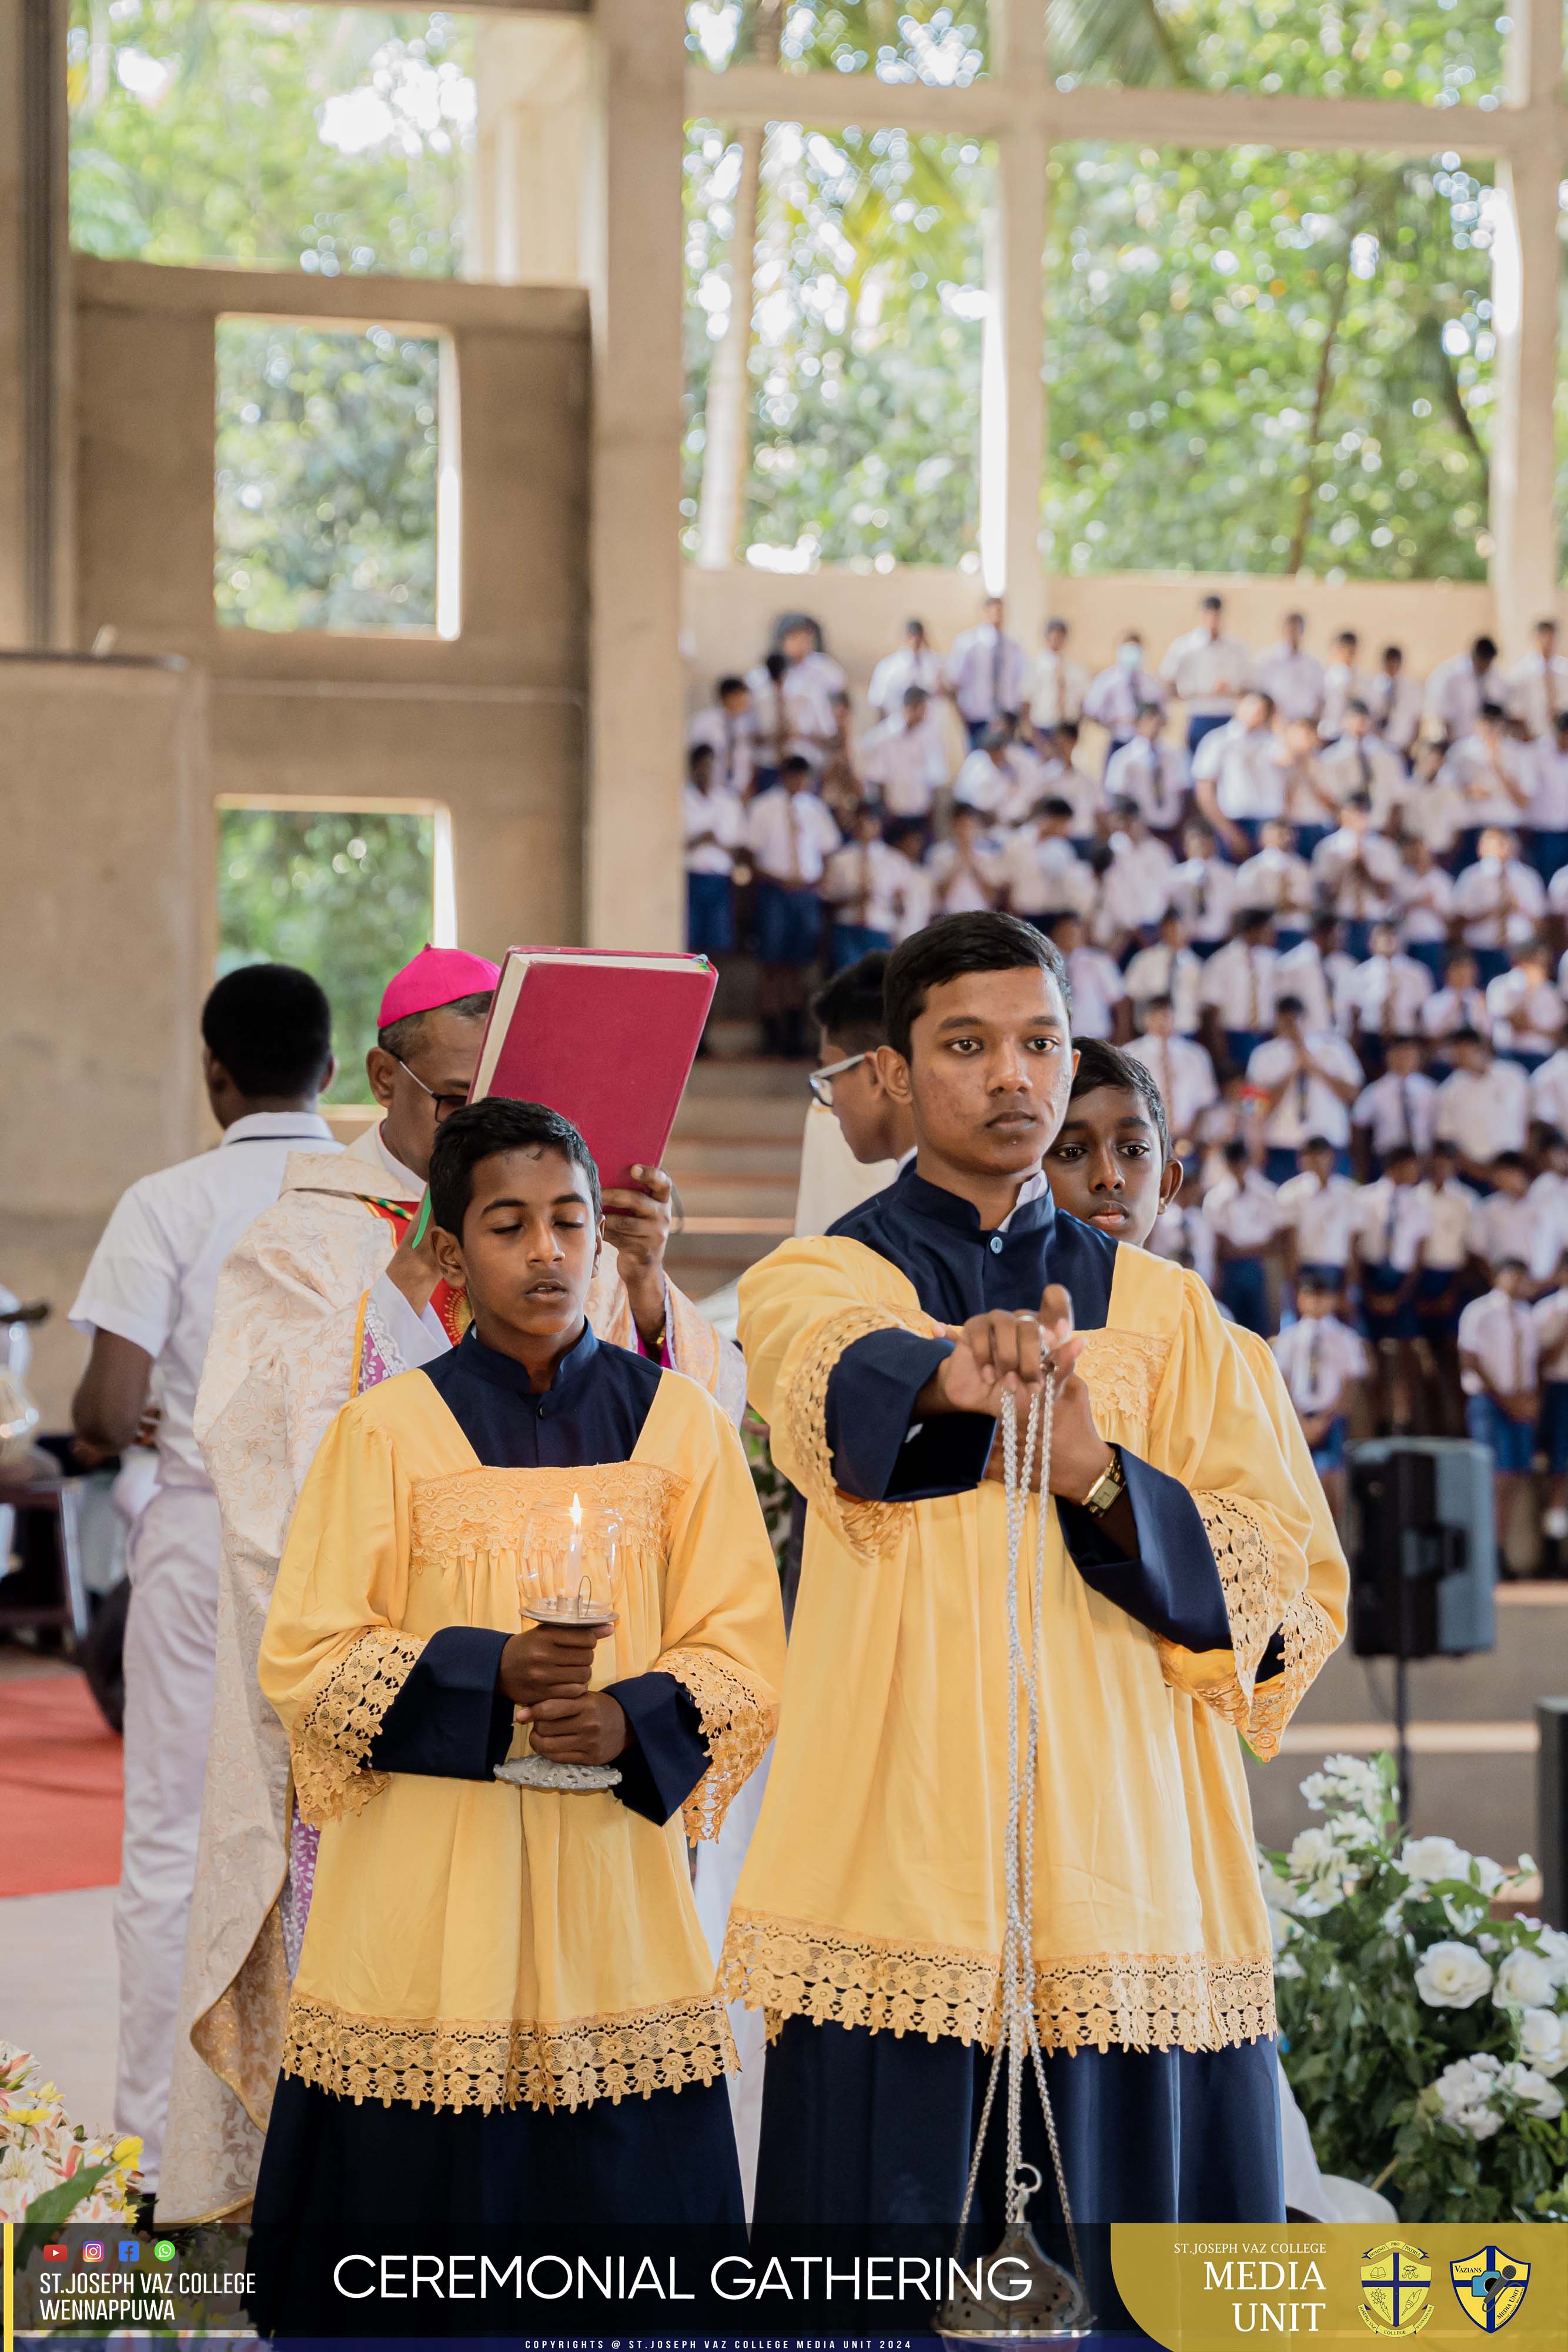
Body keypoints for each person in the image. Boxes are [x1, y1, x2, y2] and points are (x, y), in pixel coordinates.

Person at [727, 911, 1341, 2236]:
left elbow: (1287, 1595)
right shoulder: (818, 1277)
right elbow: (825, 1385)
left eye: (1039, 1043)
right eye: (966, 1044)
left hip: (1133, 1872)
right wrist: (952, 1375)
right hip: (897, 1866)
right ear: (893, 1073)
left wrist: (1094, 1474)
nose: (1012, 1076)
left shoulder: (1176, 1318)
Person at [156, 947, 744, 2227]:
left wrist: (641, 1288)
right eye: (456, 1107)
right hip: (410, 1791)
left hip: (601, 1835)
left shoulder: (574, 1250)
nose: (544, 1245)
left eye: (566, 1216)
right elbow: (271, 1457)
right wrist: (403, 1304)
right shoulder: (308, 1229)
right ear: (385, 1082)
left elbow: (699, 1487)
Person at [247, 1100, 784, 2317]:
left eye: (569, 1221)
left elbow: (745, 1650)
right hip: (430, 1895)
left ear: (603, 1239)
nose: (546, 1251)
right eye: (507, 1224)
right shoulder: (386, 1432)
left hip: (613, 1891)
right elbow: (311, 1654)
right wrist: (488, 1674)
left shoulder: (682, 1430)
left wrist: (635, 1715)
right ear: (449, 1255)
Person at [68, 965, 337, 2197]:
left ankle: (148, 2161)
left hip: (198, 1539)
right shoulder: (375, 1194)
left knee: (173, 1848)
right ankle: (324, 2153)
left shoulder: (166, 1198)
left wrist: (138, 1420)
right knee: (333, 1840)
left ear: (213, 1074)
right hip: (348, 1546)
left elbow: (106, 1407)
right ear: (338, 1074)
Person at [748, 753, 841, 1057]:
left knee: (799, 963)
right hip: (774, 889)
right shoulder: (763, 807)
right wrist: (776, 879)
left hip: (806, 893)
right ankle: (771, 1030)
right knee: (773, 963)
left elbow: (827, 850)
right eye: (794, 776)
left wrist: (817, 881)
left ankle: (794, 1030)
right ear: (783, 776)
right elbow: (750, 853)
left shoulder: (814, 809)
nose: (799, 782)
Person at [1458, 1259, 1539, 1560]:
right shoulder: (1479, 1311)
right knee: (1494, 1478)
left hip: (1520, 1403)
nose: (1517, 1282)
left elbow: (1531, 1362)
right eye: (1512, 1275)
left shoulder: (1527, 1315)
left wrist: (1529, 1400)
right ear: (1497, 1276)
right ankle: (1483, 1551)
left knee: (1516, 1477)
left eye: (1522, 1276)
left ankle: (1501, 1550)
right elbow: (1471, 1359)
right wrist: (1507, 1400)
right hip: (1490, 1402)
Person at [1270, 1272, 1366, 1522]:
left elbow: (1350, 1383)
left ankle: (1333, 1543)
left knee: (1332, 1482)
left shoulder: (1345, 1338)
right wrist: (1298, 1418)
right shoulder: (1290, 1337)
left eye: (1322, 1297)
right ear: (1300, 1299)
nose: (1316, 1303)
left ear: (1332, 1300)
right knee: (1292, 1482)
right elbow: (1282, 1380)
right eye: (1310, 1296)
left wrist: (1326, 1418)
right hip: (1298, 1416)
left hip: (1330, 1418)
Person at [1353, 1144, 1430, 1435]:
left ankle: (1403, 1420)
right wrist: (1367, 1289)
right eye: (1409, 1166)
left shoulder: (1420, 1204)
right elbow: (1356, 1248)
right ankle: (1378, 1422)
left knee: (1404, 1353)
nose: (1414, 1172)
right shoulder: (1367, 1199)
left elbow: (1419, 1255)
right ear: (1394, 1167)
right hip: (1371, 1277)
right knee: (1372, 1357)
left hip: (1402, 1284)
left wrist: (1400, 1296)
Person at [1245, 998, 1362, 1185]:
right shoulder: (1262, 1056)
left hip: (1330, 1144)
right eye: (1286, 1020)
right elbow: (1253, 1109)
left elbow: (1353, 1094)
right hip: (1282, 1147)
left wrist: (1314, 1067)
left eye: (1295, 1019)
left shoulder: (1334, 1048)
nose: (1292, 1026)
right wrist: (1292, 1071)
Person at [1414, 1141, 1482, 1435]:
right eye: (1435, 1161)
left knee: (1454, 1359)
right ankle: (1430, 1429)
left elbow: (1471, 1253)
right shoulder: (1415, 1198)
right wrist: (1417, 1293)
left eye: (1446, 1162)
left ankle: (1461, 1429)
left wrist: (1452, 1292)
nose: (1439, 1168)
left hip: (1454, 1281)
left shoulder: (1467, 1200)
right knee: (1421, 1361)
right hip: (1419, 1282)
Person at [1202, 1135, 1281, 1333]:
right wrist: (1252, 1249)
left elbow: (1275, 1242)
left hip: (1261, 1266)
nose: (1238, 1168)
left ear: (1248, 1161)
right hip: (1230, 1270)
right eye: (1233, 1163)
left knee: (1264, 1327)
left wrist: (1241, 1250)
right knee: (1230, 1327)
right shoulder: (1216, 1199)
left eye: (1241, 1162)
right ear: (1227, 1164)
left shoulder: (1267, 1194)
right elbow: (1221, 1247)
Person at [1192, 690, 1285, 858]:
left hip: (1268, 825)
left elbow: (1289, 759)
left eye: (1262, 708)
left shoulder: (1273, 742)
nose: (1255, 712)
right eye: (1251, 705)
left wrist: (1278, 723)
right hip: (1232, 822)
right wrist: (1228, 831)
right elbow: (1204, 789)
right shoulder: (1217, 740)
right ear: (1239, 705)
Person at [1433, 1028, 1531, 1186]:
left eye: (1466, 1051)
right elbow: (1448, 1140)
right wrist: (1481, 1172)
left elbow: (1530, 1120)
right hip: (1475, 1174)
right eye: (1457, 1053)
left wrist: (1520, 1166)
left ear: (1481, 1048)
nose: (1462, 1058)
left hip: (1518, 1169)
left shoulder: (1514, 1076)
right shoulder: (1449, 1092)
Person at [1124, 996, 1218, 1154]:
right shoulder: (1131, 1054)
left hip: (1186, 1137)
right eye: (1156, 1015)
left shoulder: (1195, 1055)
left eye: (1167, 1015)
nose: (1162, 1021)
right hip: (1146, 1137)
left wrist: (1189, 1138)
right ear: (1146, 1019)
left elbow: (1204, 1102)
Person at [1159, 593, 1251, 754]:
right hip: (1198, 713)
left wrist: (1229, 689)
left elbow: (1248, 686)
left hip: (1227, 714)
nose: (1213, 619)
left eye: (1216, 614)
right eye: (1209, 614)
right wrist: (1197, 692)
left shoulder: (1236, 648)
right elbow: (1168, 681)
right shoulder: (1185, 647)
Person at [1276, 1136, 1363, 1297]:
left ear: (1331, 1157)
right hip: (1305, 1269)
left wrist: (1350, 1286)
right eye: (1311, 1157)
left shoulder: (1349, 1194)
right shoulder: (1290, 1193)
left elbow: (1354, 1245)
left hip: (1338, 1270)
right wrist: (1293, 1285)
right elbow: (1288, 1243)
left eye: (1322, 1156)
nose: (1317, 1162)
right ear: (1301, 1160)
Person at [821, 803, 902, 971]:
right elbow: (827, 901)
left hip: (879, 927)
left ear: (879, 824)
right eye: (861, 821)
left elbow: (901, 907)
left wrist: (896, 902)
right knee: (848, 981)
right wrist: (853, 898)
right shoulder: (840, 859)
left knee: (877, 985)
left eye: (870, 821)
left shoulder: (894, 861)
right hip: (847, 928)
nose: (865, 827)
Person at [1199, 910, 1278, 1076]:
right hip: (1234, 1037)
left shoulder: (1271, 960)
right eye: (1268, 929)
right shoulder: (1222, 961)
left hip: (1265, 1035)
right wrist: (1220, 1051)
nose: (1273, 935)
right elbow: (1212, 1009)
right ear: (1255, 930)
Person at [684, 741, 744, 958]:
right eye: (703, 765)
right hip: (690, 877)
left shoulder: (728, 802)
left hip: (720, 879)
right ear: (693, 767)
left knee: (718, 944)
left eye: (711, 766)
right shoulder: (681, 799)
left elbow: (738, 847)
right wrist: (700, 838)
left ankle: (714, 989)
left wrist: (716, 841)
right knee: (689, 940)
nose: (707, 771)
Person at [859, 683, 950, 824]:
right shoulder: (882, 738)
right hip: (892, 815)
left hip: (920, 813)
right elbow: (877, 780)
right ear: (913, 707)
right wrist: (884, 813)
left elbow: (934, 778)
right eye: (924, 708)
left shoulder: (927, 738)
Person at [947, 594, 1026, 746]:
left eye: (1001, 611)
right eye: (993, 611)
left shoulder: (1013, 644)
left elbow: (1020, 679)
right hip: (977, 715)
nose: (997, 616)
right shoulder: (967, 644)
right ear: (985, 613)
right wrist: (960, 715)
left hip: (1006, 715)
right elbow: (954, 681)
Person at [1352, 1034, 1436, 1176]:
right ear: (1389, 1057)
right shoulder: (1376, 1090)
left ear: (1418, 1057)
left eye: (1409, 1054)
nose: (1404, 1059)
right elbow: (1358, 1123)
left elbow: (1436, 1127)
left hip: (1421, 1158)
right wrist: (1361, 1164)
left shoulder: (1429, 1090)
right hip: (1387, 1158)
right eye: (1399, 1054)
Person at [1104, 700, 1189, 833]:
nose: (1154, 726)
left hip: (1172, 827)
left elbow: (1183, 792)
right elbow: (1117, 797)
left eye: (1157, 720)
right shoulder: (1123, 759)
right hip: (1140, 829)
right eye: (1149, 720)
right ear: (1138, 723)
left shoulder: (1173, 756)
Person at [1045, 910, 1128, 1043]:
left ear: (1082, 934)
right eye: (1065, 932)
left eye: (1074, 932)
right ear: (1055, 933)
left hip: (1097, 1037)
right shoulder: (1045, 964)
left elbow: (1120, 1002)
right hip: (1059, 1038)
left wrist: (1122, 1036)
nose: (1070, 936)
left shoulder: (1099, 961)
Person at [1532, 1274, 1568, 1569]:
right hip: (1560, 1390)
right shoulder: (1547, 1310)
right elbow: (1539, 1360)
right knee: (1560, 1473)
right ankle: (1553, 1553)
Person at [1083, 630, 1166, 758]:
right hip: (1119, 740)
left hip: (1146, 744)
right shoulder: (1106, 681)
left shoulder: (1151, 683)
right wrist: (1116, 721)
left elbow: (1162, 715)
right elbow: (1092, 712)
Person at [1486, 941, 1564, 1071]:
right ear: (1518, 961)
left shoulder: (1551, 992)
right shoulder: (1500, 986)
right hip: (1509, 1055)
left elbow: (1558, 1034)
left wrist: (1534, 1028)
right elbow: (1517, 1023)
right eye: (1533, 961)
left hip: (1542, 1058)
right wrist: (1528, 990)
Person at [1124, 909, 1204, 1036]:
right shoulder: (1145, 959)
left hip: (1184, 1030)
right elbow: (1130, 996)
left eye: (1177, 929)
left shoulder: (1195, 965)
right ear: (1162, 930)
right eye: (1170, 929)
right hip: (1150, 1032)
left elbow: (1200, 1002)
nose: (1174, 934)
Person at [1169, 818, 1238, 954]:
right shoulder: (1174, 877)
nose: (1200, 845)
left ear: (1214, 844)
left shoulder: (1230, 876)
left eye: (1204, 841)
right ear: (1185, 845)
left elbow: (1236, 914)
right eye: (1194, 841)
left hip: (1220, 943)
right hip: (1186, 945)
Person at [927, 800, 1005, 915]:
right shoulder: (939, 853)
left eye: (970, 826)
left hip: (981, 916)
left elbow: (992, 897)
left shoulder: (989, 855)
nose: (966, 831)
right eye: (961, 825)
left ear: (978, 826)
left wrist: (973, 864)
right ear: (953, 826)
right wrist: (960, 861)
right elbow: (940, 896)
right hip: (949, 917)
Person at [687, 674, 755, 800]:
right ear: (730, 697)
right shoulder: (703, 723)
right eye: (742, 697)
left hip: (735, 792)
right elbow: (695, 758)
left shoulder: (743, 725)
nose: (746, 702)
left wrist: (745, 788)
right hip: (708, 790)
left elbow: (744, 760)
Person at [1425, 634, 1502, 743]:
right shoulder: (1448, 675)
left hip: (1480, 743)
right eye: (1485, 663)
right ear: (1476, 656)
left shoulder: (1493, 675)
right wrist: (1449, 743)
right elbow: (1441, 716)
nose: (1487, 667)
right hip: (1454, 740)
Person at [1252, 611, 1325, 727]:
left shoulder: (1313, 664)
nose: (1293, 634)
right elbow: (1259, 692)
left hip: (1304, 724)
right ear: (1282, 630)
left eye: (1297, 629)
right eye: (1290, 630)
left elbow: (1320, 697)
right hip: (1274, 724)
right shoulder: (1267, 660)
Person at [1506, 615, 1568, 744]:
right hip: (1534, 740)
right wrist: (1527, 736)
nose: (1547, 643)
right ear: (1535, 639)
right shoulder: (1521, 673)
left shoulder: (1564, 669)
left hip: (1562, 742)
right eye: (1543, 637)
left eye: (1551, 637)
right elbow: (1515, 711)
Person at [868, 616, 943, 718]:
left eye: (919, 637)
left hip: (927, 728)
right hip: (898, 724)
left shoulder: (933, 664)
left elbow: (940, 692)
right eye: (912, 637)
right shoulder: (888, 668)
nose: (916, 642)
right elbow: (879, 702)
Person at [1025, 614, 1088, 731]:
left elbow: (1082, 699)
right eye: (1054, 636)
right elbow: (1027, 698)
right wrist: (1028, 727)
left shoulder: (1073, 668)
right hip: (1044, 723)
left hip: (1068, 724)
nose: (1057, 640)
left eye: (1061, 636)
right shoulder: (1036, 666)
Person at [1367, 643, 1422, 756]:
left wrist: (1412, 744)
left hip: (1401, 746)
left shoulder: (1412, 688)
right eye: (1389, 663)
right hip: (1376, 747)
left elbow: (1417, 719)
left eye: (1395, 663)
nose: (1392, 667)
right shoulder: (1371, 686)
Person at [1319, 631, 1370, 741]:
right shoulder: (1332, 674)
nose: (1349, 655)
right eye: (1346, 651)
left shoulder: (1359, 675)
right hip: (1330, 731)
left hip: (1349, 733)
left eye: (1352, 651)